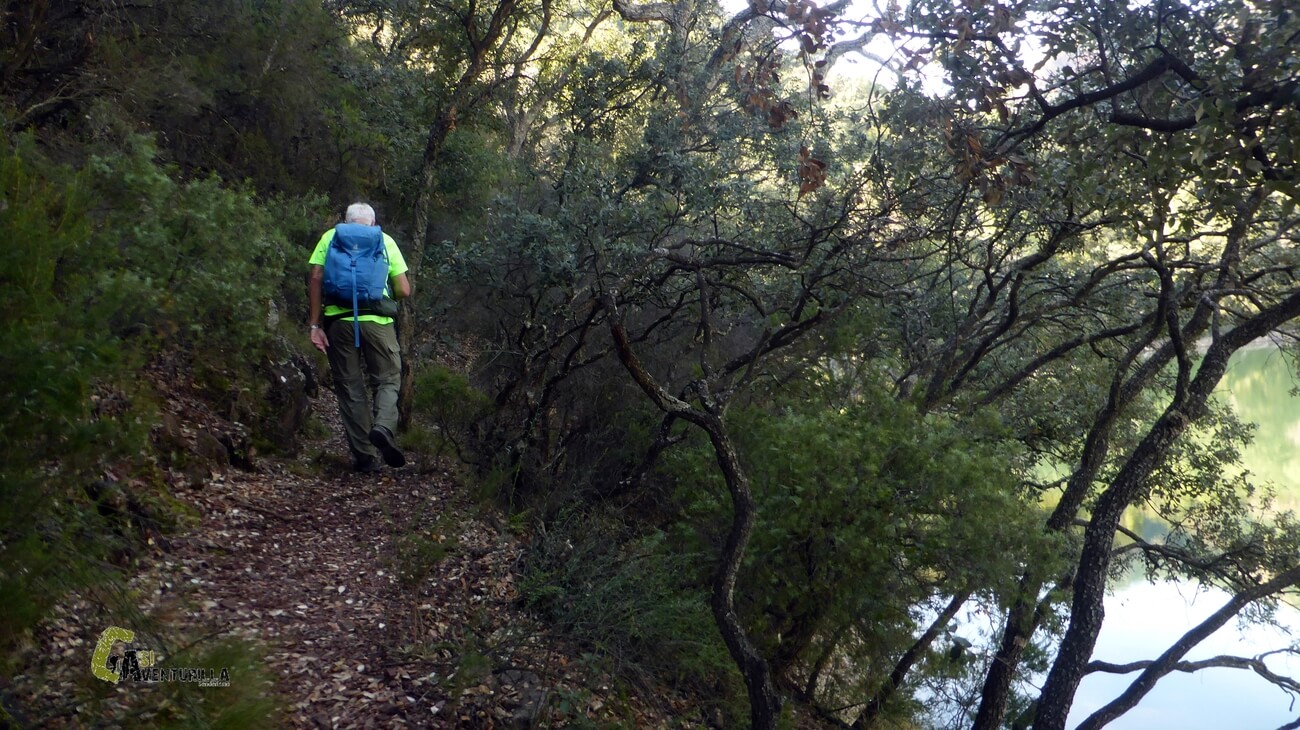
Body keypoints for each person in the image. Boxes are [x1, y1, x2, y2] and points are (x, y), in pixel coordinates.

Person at [307, 203, 412, 472]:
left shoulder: (330, 237)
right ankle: (383, 428)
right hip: (378, 322)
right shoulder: (384, 240)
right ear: (373, 222)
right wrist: (380, 292)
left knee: (350, 387)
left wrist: (315, 325)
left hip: (338, 323)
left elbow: (316, 277)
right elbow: (403, 289)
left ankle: (365, 457)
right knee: (388, 378)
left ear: (346, 220)